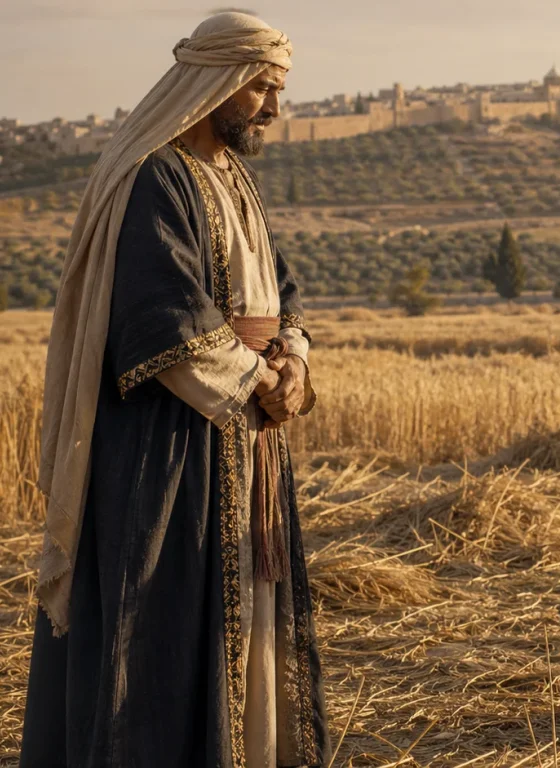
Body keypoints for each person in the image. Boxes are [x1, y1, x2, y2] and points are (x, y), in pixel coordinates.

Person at [22, 12, 330, 768]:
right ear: (217, 80)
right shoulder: (154, 177)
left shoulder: (234, 178)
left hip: (246, 435)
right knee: (160, 622)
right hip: (171, 447)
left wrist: (295, 357)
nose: (273, 109)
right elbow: (163, 316)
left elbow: (281, 290)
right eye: (263, 88)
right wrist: (262, 382)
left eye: (277, 90)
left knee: (241, 609)